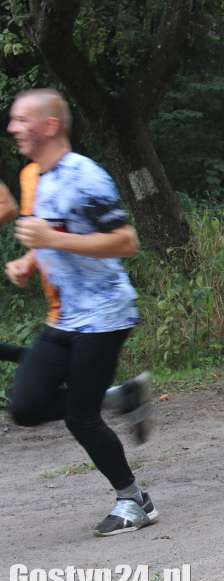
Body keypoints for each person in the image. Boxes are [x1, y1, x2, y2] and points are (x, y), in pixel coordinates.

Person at [5, 88, 156, 536]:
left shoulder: (87, 177)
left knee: (80, 417)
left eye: (20, 120)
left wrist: (50, 242)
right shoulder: (33, 176)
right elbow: (51, 231)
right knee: (26, 407)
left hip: (106, 313)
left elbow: (126, 242)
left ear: (49, 126)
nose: (12, 128)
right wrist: (29, 261)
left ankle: (134, 502)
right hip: (65, 316)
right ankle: (119, 397)